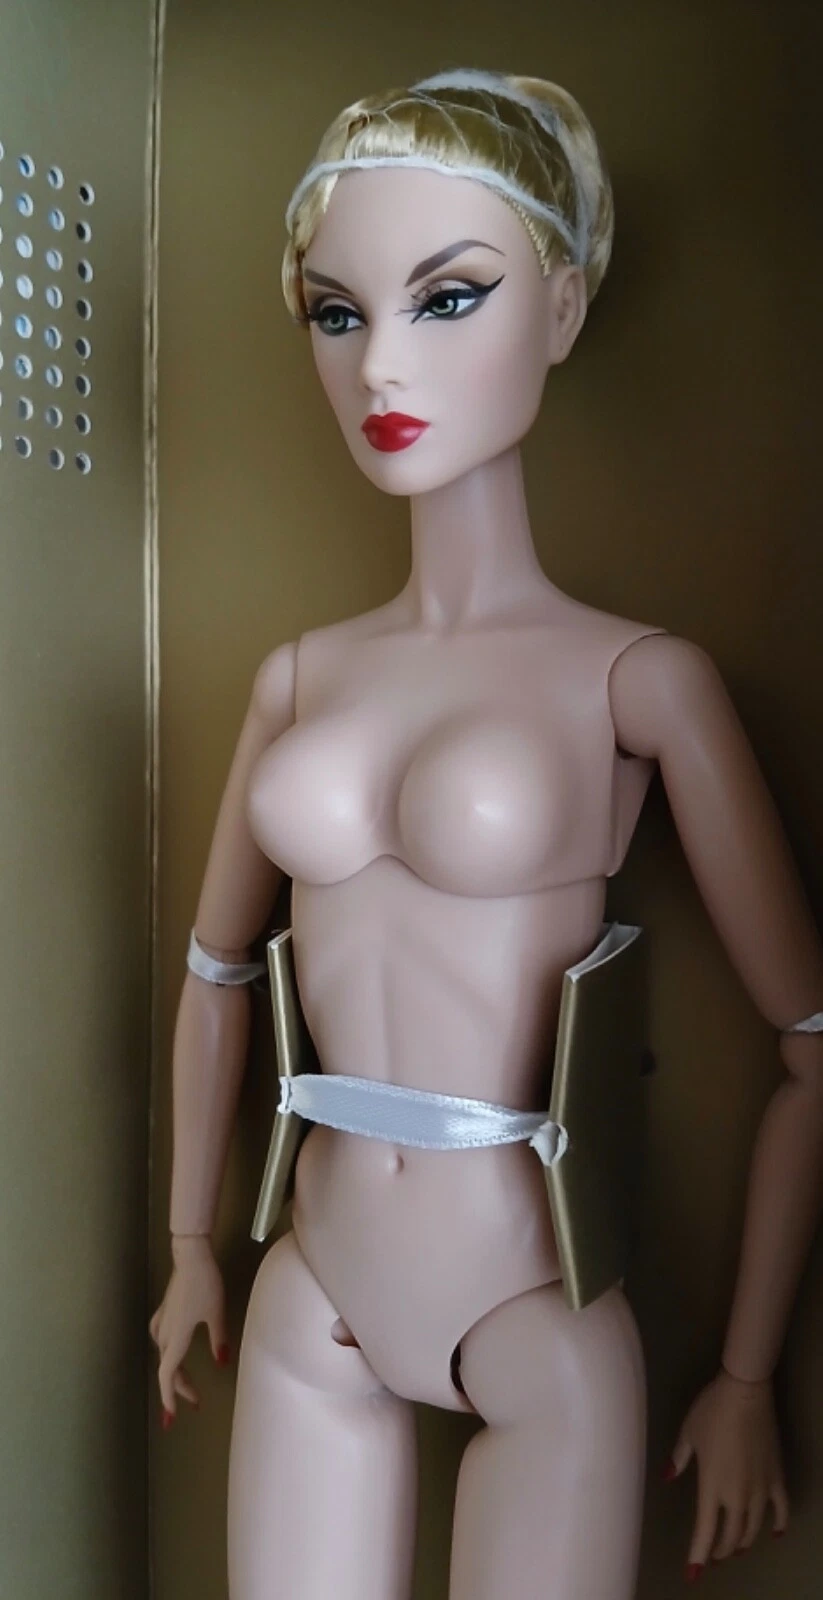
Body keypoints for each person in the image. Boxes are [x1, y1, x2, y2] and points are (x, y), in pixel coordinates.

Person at [150, 68, 823, 1598]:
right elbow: (213, 972)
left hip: (530, 1303)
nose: (380, 361)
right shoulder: (300, 676)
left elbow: (808, 1044)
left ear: (562, 306)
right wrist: (191, 1247)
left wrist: (743, 1374)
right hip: (311, 1290)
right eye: (334, 313)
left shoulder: (635, 681)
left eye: (447, 297)